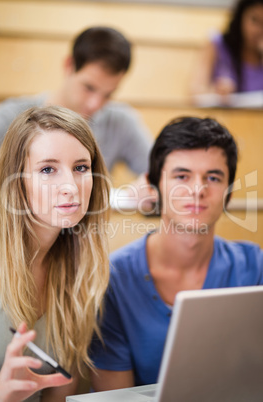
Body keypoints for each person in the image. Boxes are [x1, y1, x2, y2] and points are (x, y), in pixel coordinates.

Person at [90, 116, 263, 391]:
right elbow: (115, 397)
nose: (197, 190)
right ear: (153, 186)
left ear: (229, 193)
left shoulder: (254, 267)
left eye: (214, 177)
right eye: (182, 176)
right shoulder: (113, 280)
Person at [0, 105, 110, 401]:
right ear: (16, 180)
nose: (70, 187)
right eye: (48, 169)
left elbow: (60, 390)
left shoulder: (82, 268)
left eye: (81, 168)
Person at [0, 26, 152, 177]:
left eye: (108, 94)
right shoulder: (8, 118)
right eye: (89, 88)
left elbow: (158, 173)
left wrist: (146, 185)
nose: (95, 104)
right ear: (69, 65)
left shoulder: (121, 122)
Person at [190, 0, 263, 97]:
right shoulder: (217, 45)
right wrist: (216, 92)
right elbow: (193, 92)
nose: (258, 30)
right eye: (254, 20)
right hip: (222, 112)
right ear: (241, 16)